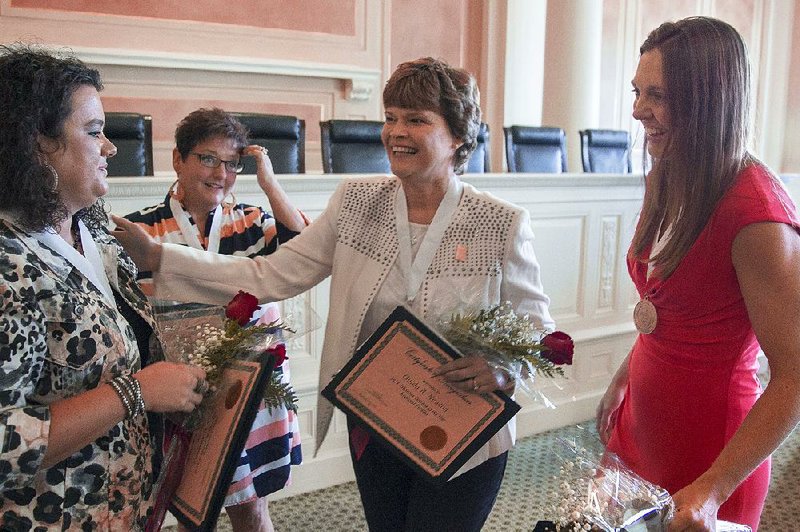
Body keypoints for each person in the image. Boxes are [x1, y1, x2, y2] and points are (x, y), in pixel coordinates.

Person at [113, 56, 554, 531]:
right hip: (376, 419)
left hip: (464, 430)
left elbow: (539, 333)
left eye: (416, 120)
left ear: (460, 137)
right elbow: (268, 276)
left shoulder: (501, 223)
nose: (396, 132)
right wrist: (160, 258)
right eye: (391, 118)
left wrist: (504, 371)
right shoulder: (355, 200)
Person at [594, 17, 800, 531]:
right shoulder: (667, 170)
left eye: (657, 95)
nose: (638, 110)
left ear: (710, 99)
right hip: (640, 428)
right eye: (637, 91)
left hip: (713, 453)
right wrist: (623, 380)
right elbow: (664, 309)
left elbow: (795, 374)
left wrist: (714, 487)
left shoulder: (756, 212)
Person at [0, 45, 207, 530]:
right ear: (36, 144)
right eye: (94, 132)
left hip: (120, 506)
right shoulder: (9, 264)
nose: (111, 147)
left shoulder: (91, 228)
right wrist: (134, 393)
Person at [123, 107, 306, 532]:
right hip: (182, 393)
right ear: (178, 160)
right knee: (191, 509)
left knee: (251, 509)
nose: (220, 173)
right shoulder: (141, 231)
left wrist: (269, 182)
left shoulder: (253, 221)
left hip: (249, 391)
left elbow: (302, 251)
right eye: (208, 158)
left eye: (231, 164)